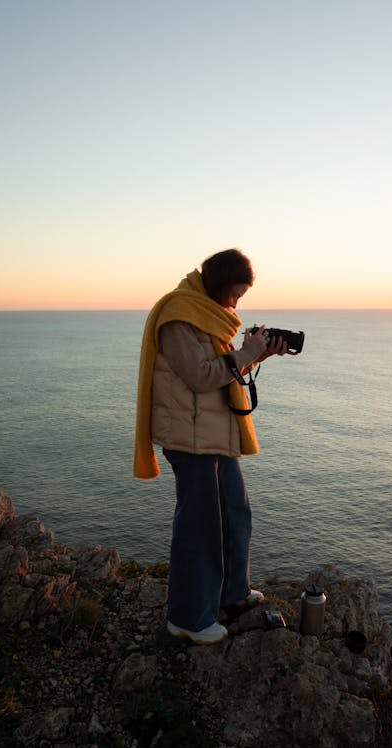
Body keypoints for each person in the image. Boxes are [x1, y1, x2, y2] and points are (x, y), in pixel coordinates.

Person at [134, 248, 295, 644]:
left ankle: (231, 592)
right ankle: (188, 617)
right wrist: (244, 354)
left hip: (212, 433)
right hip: (187, 438)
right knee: (199, 525)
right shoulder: (178, 316)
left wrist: (257, 356)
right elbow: (201, 377)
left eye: (241, 296)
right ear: (217, 285)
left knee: (234, 513)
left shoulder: (208, 315)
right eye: (234, 294)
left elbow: (225, 368)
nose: (236, 303)